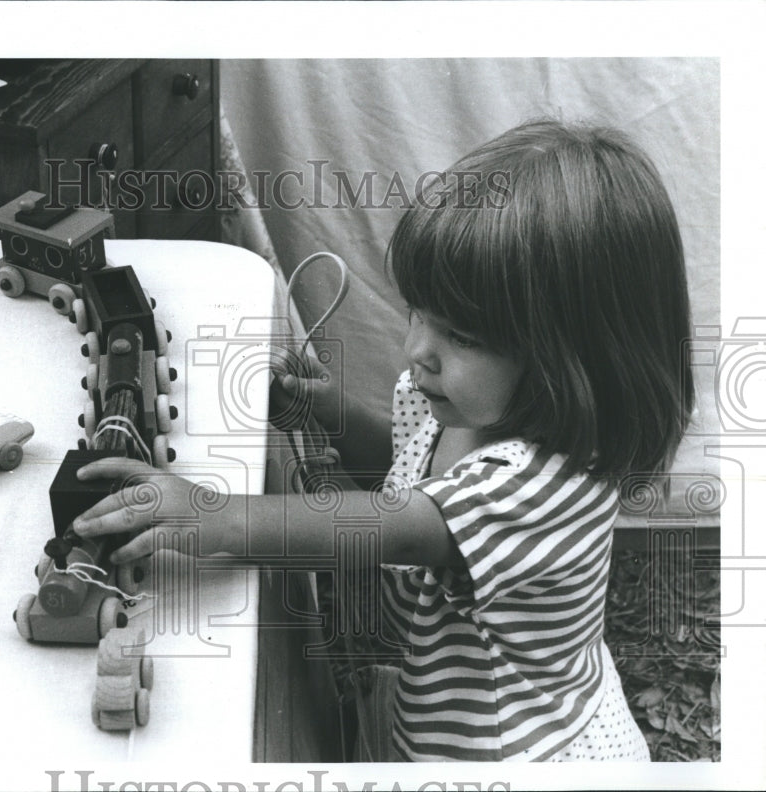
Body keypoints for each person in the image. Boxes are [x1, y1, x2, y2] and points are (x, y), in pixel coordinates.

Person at [71, 119, 694, 761]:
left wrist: (219, 515)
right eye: (417, 313)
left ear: (579, 359)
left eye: (463, 337)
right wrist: (326, 411)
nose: (417, 349)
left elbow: (386, 524)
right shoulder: (458, 401)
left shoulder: (542, 488)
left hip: (512, 748)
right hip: (446, 698)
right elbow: (403, 463)